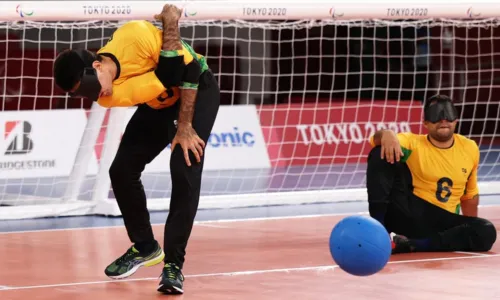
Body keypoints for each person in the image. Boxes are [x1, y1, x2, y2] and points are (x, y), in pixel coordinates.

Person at [52, 4, 220, 295]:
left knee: (184, 167)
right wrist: (171, 24)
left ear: (96, 66)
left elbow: (189, 68)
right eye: (84, 94)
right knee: (121, 170)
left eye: (90, 87)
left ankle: (173, 267)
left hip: (197, 89)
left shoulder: (135, 35)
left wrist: (185, 125)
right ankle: (145, 247)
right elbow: (166, 78)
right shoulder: (107, 96)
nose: (96, 96)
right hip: (162, 100)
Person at [366, 94, 496, 254]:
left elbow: (469, 195)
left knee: (486, 231)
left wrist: (471, 223)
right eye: (436, 115)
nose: (443, 120)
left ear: (456, 120)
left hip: (443, 220)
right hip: (409, 211)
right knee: (380, 152)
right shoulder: (412, 143)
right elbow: (375, 140)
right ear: (426, 123)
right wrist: (387, 133)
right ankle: (376, 230)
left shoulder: (470, 148)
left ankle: (411, 245)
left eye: (448, 115)